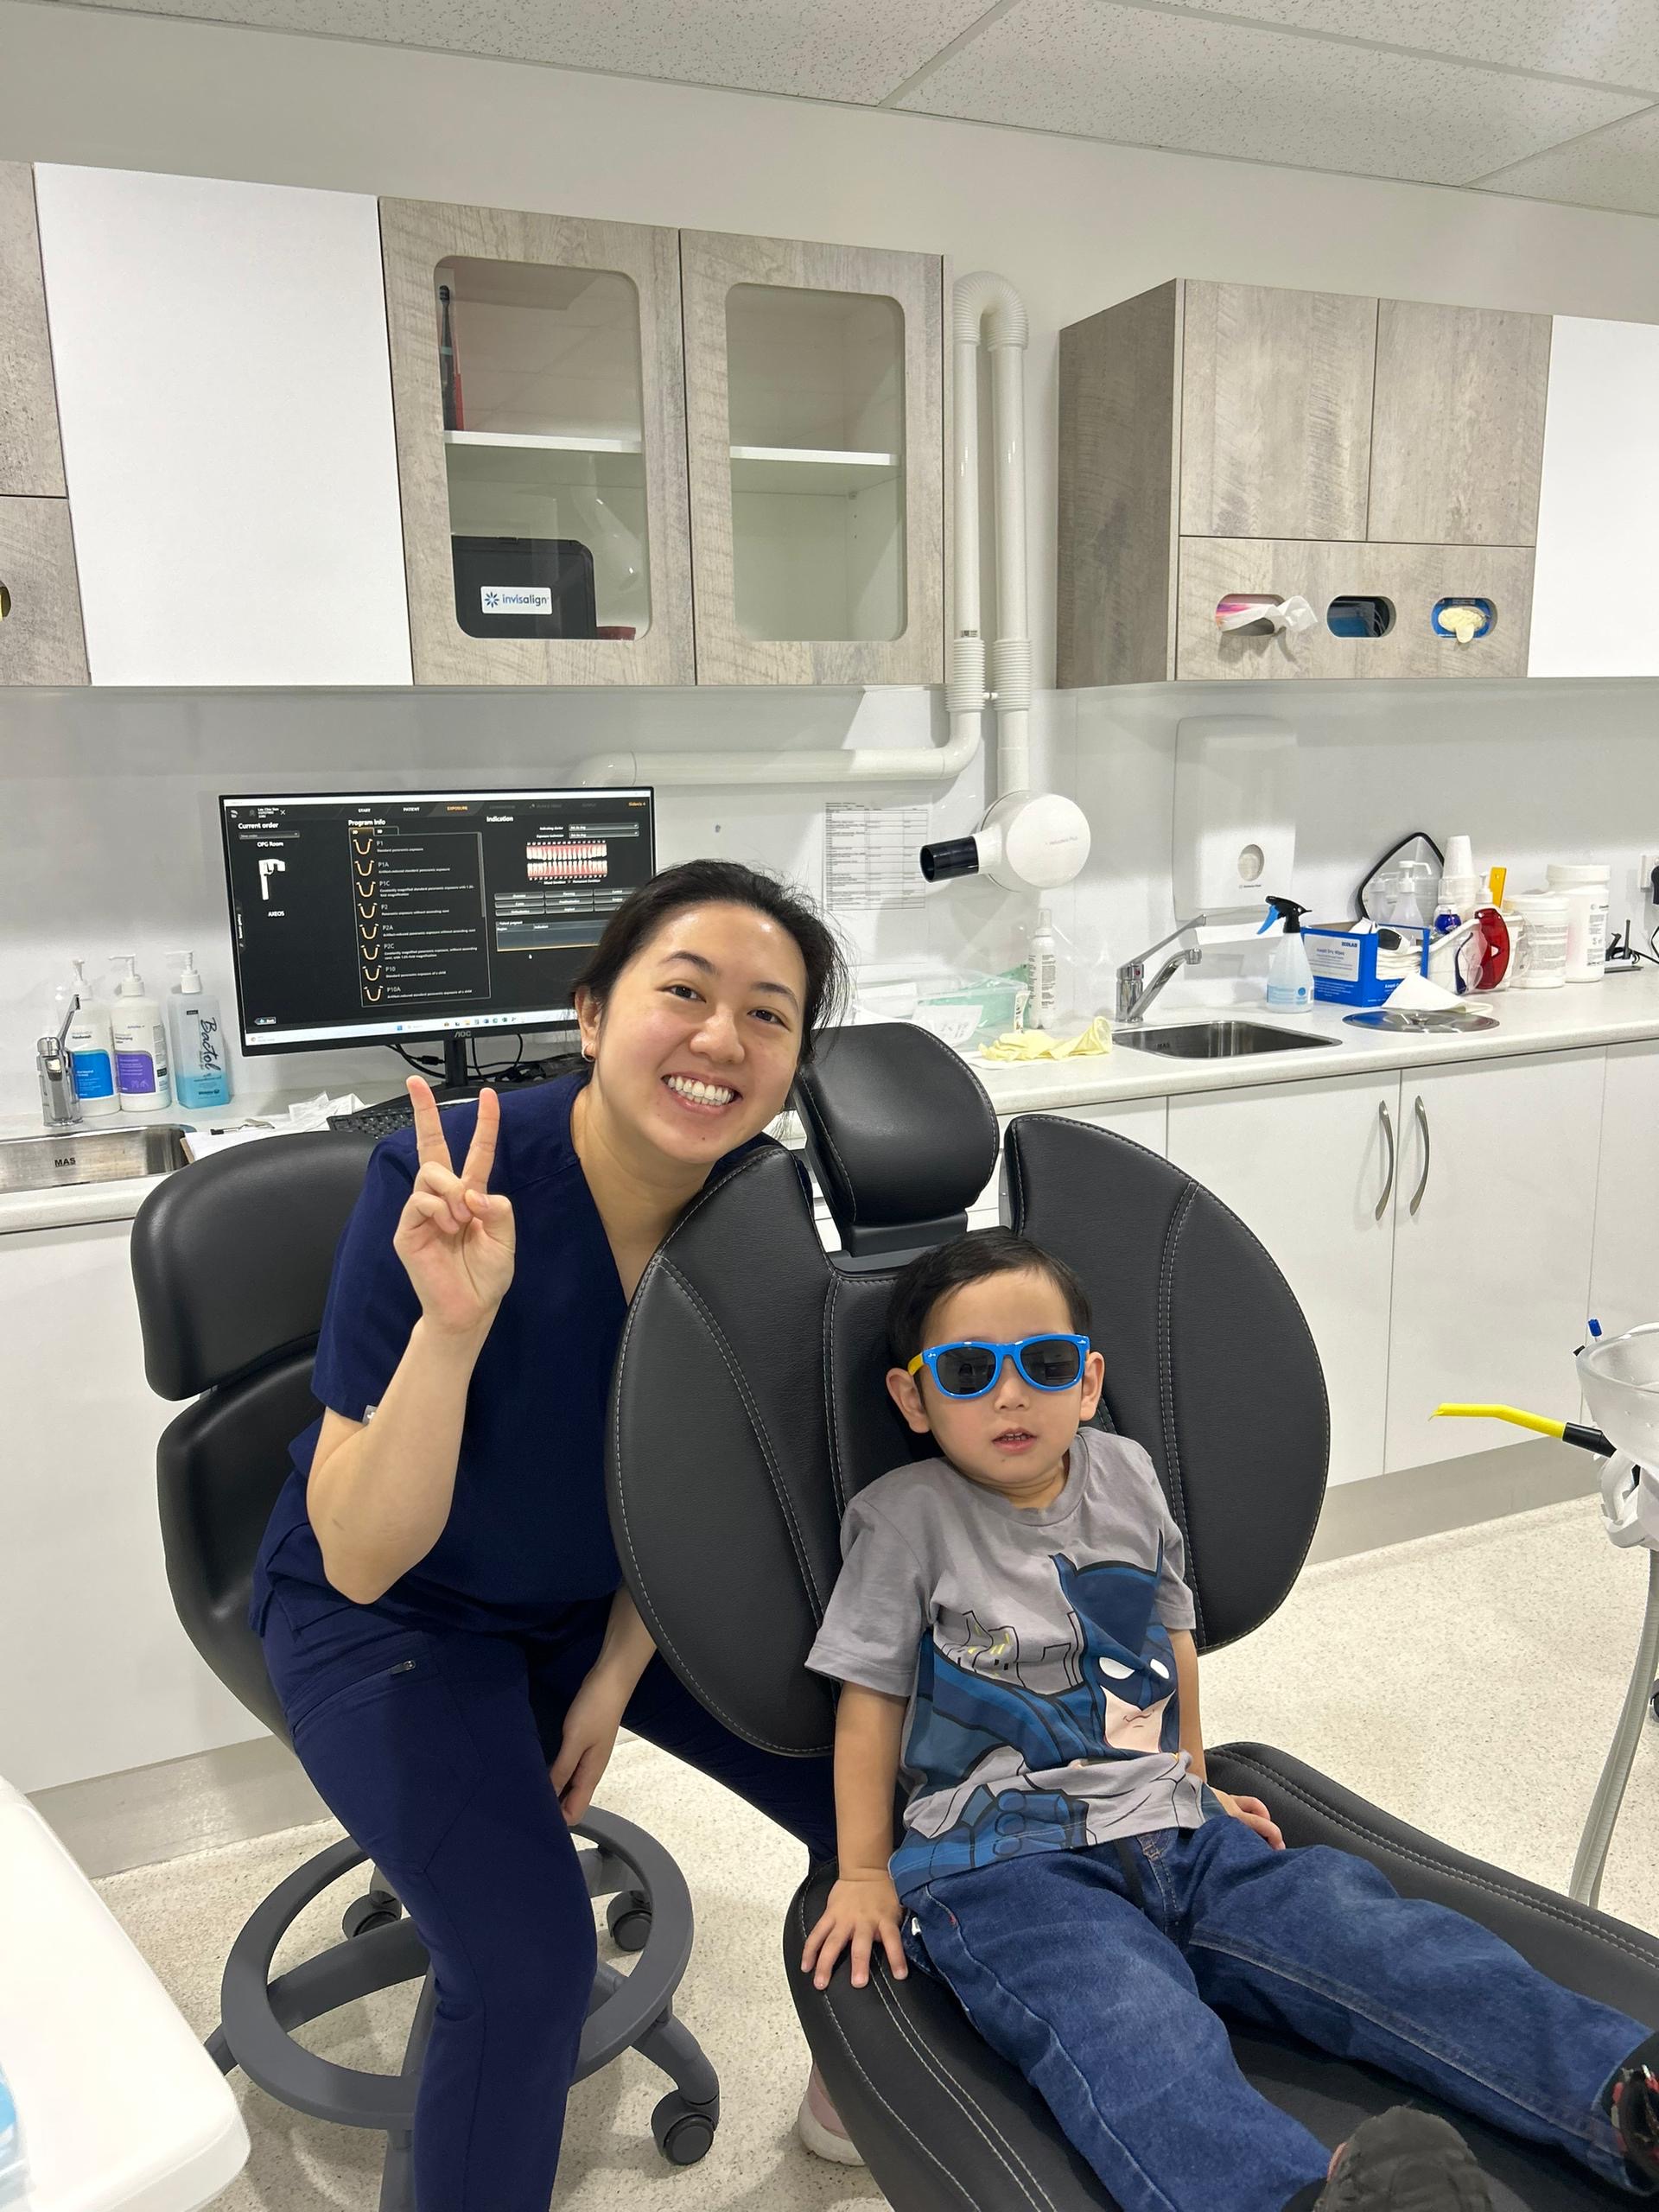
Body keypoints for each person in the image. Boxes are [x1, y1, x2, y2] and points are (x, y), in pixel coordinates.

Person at [801, 1225, 1659, 2212]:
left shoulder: (1123, 1474)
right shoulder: (904, 1518)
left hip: (1175, 1831)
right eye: (967, 1369)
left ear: (1087, 1381)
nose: (1010, 1394)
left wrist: (1195, 1783)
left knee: (1390, 1945)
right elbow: (868, 1702)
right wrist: (866, 1870)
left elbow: (1170, 1641)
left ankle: (1621, 2103)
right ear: (913, 1395)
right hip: (1008, 1867)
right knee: (1133, 2033)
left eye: (1044, 1364)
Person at [249, 860, 861, 2210]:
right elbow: (359, 1555)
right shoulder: (443, 1185)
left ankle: (862, 2075)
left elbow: (701, 1475)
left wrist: (616, 1667)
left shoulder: (757, 1208)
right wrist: (453, 1326)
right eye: (684, 993)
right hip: (395, 1619)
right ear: (591, 1015)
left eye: (770, 1015)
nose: (721, 1040)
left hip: (610, 1596)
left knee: (884, 1786)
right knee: (523, 1962)